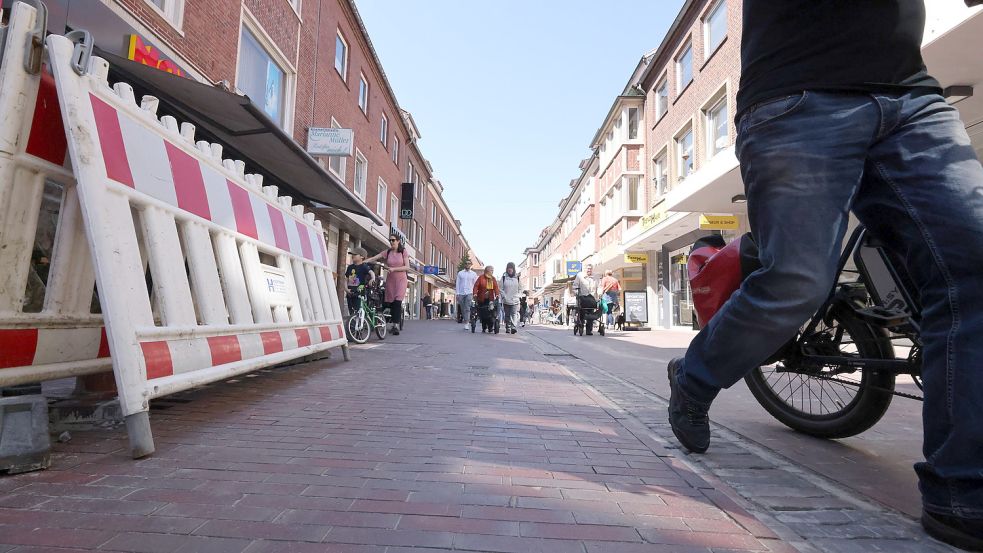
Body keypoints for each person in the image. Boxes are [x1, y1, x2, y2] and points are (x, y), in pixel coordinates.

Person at [665, 2, 983, 550]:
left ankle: (962, 491)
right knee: (796, 282)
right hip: (796, 95)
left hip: (911, 95)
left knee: (974, 269)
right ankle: (694, 377)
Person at [365, 235, 410, 336]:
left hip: (401, 280)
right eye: (390, 240)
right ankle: (383, 321)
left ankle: (395, 326)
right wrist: (364, 262)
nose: (391, 242)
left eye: (393, 240)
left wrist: (394, 269)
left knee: (397, 302)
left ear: (398, 241)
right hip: (390, 280)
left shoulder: (403, 252)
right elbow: (376, 257)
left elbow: (407, 267)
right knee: (388, 302)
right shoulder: (388, 252)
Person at [343, 247, 375, 316]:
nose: (352, 256)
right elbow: (346, 279)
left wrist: (373, 279)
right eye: (352, 254)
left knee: (359, 309)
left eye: (355, 254)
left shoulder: (364, 266)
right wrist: (346, 289)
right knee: (351, 310)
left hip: (360, 290)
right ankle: (352, 324)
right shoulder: (350, 267)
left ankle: (362, 322)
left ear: (362, 257)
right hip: (350, 291)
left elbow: (371, 272)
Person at [571, 264, 599, 335]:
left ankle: (589, 330)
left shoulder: (595, 277)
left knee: (591, 313)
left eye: (590, 268)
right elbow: (575, 285)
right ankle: (581, 325)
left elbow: (599, 286)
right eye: (588, 268)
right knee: (582, 312)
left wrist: (600, 292)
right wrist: (576, 291)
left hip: (591, 298)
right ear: (584, 269)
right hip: (582, 297)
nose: (589, 270)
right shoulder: (580, 276)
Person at [473, 265, 500, 333]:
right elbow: (476, 286)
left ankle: (490, 327)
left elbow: (496, 287)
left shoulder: (493, 278)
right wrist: (475, 293)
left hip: (490, 299)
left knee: (490, 313)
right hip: (481, 298)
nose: (492, 272)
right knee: (482, 313)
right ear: (487, 271)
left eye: (492, 270)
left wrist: (497, 294)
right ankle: (484, 326)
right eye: (491, 270)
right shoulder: (481, 278)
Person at [500, 263, 521, 334]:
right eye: (508, 268)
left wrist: (518, 295)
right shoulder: (503, 278)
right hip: (506, 299)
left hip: (515, 299)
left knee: (514, 314)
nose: (510, 269)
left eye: (511, 268)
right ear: (507, 269)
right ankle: (508, 327)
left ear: (513, 269)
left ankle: (513, 327)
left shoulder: (517, 278)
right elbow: (501, 289)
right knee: (507, 314)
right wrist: (504, 296)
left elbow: (520, 288)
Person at [456, 265, 478, 330]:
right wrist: (457, 293)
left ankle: (467, 323)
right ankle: (466, 319)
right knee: (462, 308)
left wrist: (475, 293)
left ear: (470, 265)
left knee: (467, 307)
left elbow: (475, 284)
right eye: (466, 264)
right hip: (461, 292)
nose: (467, 265)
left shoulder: (473, 274)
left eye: (469, 264)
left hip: (469, 292)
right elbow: (458, 283)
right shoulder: (460, 273)